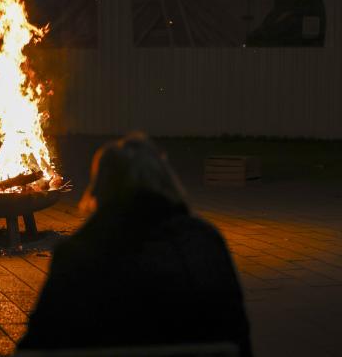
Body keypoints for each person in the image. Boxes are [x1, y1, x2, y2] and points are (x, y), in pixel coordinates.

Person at [18, 132, 252, 356]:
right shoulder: (205, 243)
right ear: (166, 182)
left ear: (100, 189)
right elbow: (239, 338)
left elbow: (37, 346)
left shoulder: (76, 254)